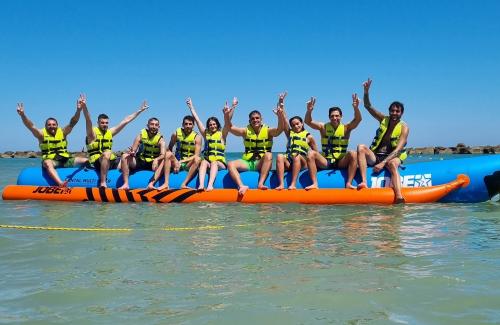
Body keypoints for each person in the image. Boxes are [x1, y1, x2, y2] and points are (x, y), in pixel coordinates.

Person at [16, 95, 89, 187]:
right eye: (49, 125)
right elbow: (31, 126)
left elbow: (73, 122)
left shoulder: (63, 132)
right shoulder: (41, 135)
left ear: (57, 125)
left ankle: (90, 180)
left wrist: (79, 110)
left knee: (86, 160)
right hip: (52, 161)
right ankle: (60, 183)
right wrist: (23, 115)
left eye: (54, 124)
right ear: (45, 126)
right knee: (47, 163)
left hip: (65, 160)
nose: (52, 126)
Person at [357, 78, 409, 203]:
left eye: (397, 111)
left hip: (393, 156)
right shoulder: (383, 119)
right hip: (377, 155)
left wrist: (383, 163)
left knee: (392, 164)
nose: (394, 113)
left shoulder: (404, 128)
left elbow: (398, 150)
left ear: (401, 113)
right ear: (389, 111)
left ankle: (399, 197)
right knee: (361, 147)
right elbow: (368, 106)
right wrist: (366, 92)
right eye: (392, 111)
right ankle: (364, 181)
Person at [225, 93, 285, 195]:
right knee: (230, 164)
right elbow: (229, 127)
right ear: (249, 120)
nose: (255, 120)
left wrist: (280, 116)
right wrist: (229, 112)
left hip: (261, 163)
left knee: (269, 155)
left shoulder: (268, 131)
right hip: (247, 162)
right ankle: (241, 186)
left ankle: (260, 183)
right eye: (252, 119)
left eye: (257, 118)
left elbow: (280, 130)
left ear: (261, 119)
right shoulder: (245, 131)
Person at [83, 98, 149, 188]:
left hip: (111, 161)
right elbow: (88, 120)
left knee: (126, 157)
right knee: (107, 153)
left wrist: (140, 111)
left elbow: (126, 120)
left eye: (106, 123)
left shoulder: (110, 132)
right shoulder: (92, 135)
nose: (105, 124)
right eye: (102, 123)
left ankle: (139, 181)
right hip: (97, 162)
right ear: (98, 123)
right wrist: (84, 106)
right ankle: (103, 182)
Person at [304, 94, 362, 189]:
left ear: (341, 116)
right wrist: (309, 110)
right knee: (310, 153)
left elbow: (358, 119)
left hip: (341, 162)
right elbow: (308, 121)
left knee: (353, 153)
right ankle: (315, 183)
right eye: (332, 116)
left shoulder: (346, 128)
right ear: (329, 117)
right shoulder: (323, 127)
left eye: (337, 116)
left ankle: (348, 183)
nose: (334, 118)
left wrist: (356, 108)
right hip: (326, 161)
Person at [186, 97, 235, 191]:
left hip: (220, 163)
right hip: (208, 162)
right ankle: (201, 185)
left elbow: (227, 123)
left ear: (217, 125)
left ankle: (210, 185)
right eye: (210, 125)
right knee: (203, 161)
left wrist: (231, 109)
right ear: (208, 126)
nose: (212, 126)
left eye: (214, 124)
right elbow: (197, 120)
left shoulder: (222, 134)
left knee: (214, 162)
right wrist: (191, 107)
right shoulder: (206, 134)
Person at [275, 101, 318, 190]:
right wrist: (281, 106)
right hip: (290, 162)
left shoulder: (309, 137)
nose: (296, 126)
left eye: (297, 124)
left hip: (302, 162)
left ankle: (293, 184)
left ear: (302, 124)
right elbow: (285, 120)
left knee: (296, 156)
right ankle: (281, 184)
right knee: (279, 156)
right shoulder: (290, 133)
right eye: (293, 125)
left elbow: (315, 153)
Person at [118, 117, 166, 190]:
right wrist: (132, 153)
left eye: (156, 125)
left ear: (158, 127)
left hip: (153, 164)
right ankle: (126, 184)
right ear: (147, 125)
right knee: (124, 156)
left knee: (164, 160)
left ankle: (151, 184)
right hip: (140, 161)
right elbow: (134, 150)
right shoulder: (140, 136)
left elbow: (163, 155)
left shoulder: (161, 140)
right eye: (152, 124)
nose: (154, 127)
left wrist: (156, 160)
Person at [157, 115, 202, 190]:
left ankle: (184, 184)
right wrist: (173, 162)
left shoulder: (197, 137)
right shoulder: (176, 134)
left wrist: (181, 161)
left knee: (198, 159)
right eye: (186, 124)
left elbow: (196, 155)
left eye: (190, 124)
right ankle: (166, 183)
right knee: (168, 154)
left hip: (188, 163)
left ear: (193, 125)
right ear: (182, 125)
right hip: (176, 161)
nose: (188, 126)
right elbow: (169, 149)